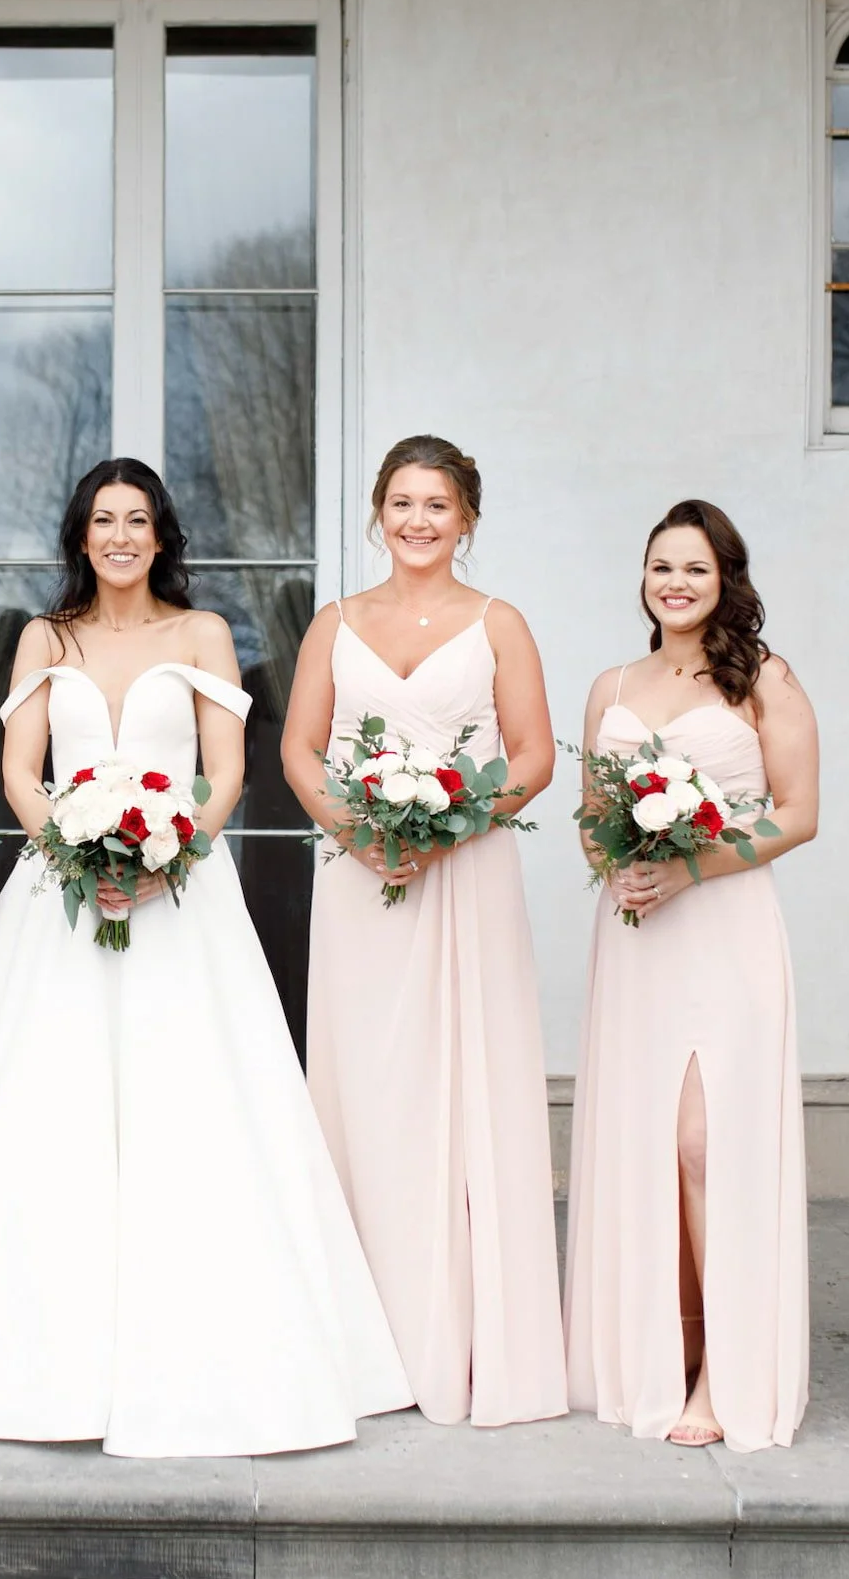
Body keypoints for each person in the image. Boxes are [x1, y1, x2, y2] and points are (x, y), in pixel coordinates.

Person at [0, 459, 412, 1457]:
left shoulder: (200, 633)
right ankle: (28, 1360)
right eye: (104, 519)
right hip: (59, 898)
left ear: (162, 537)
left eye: (139, 520)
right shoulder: (43, 635)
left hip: (179, 894)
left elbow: (229, 768)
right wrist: (72, 844)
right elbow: (21, 770)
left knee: (191, 1102)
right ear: (80, 533)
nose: (121, 535)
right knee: (44, 1104)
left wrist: (174, 848)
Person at [283, 434, 566, 1427]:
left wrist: (454, 821)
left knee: (459, 1085)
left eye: (436, 505)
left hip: (466, 873)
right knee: (367, 1086)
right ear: (376, 511)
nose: (416, 520)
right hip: (359, 877)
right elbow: (300, 747)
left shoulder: (498, 623)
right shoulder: (335, 622)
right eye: (400, 502)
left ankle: (464, 1336)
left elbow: (531, 756)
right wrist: (358, 830)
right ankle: (363, 1342)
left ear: (467, 519)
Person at [564, 500, 819, 1450]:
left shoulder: (765, 681)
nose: (675, 582)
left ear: (726, 581)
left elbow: (797, 813)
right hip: (638, 934)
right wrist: (616, 860)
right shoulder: (612, 685)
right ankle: (659, 1354)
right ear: (643, 576)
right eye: (661, 566)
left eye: (696, 570)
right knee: (649, 1146)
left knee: (708, 1143)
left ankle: (726, 1369)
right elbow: (594, 812)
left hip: (724, 925)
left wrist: (687, 865)